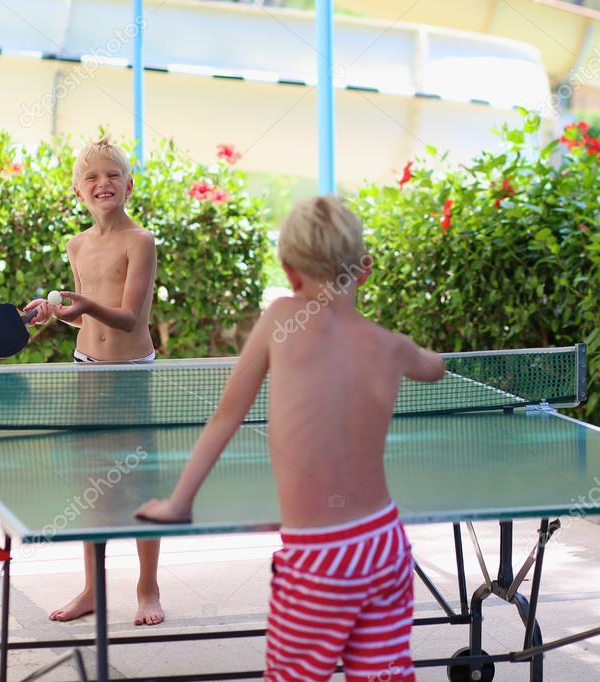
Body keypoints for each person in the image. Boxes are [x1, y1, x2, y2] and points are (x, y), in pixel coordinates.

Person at [134, 196, 444, 680]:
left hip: (318, 557)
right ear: (364, 270)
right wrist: (406, 348)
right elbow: (436, 368)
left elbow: (226, 417)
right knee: (385, 674)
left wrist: (179, 502)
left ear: (290, 271)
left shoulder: (280, 319)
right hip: (383, 544)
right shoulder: (390, 347)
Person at [25, 135, 164, 626]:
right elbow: (85, 320)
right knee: (92, 486)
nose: (102, 182)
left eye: (112, 175)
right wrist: (54, 314)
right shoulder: (76, 244)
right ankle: (92, 589)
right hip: (86, 371)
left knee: (141, 486)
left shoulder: (140, 241)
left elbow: (128, 318)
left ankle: (148, 587)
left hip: (129, 378)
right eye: (91, 177)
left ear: (129, 184)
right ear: (78, 192)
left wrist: (81, 305)